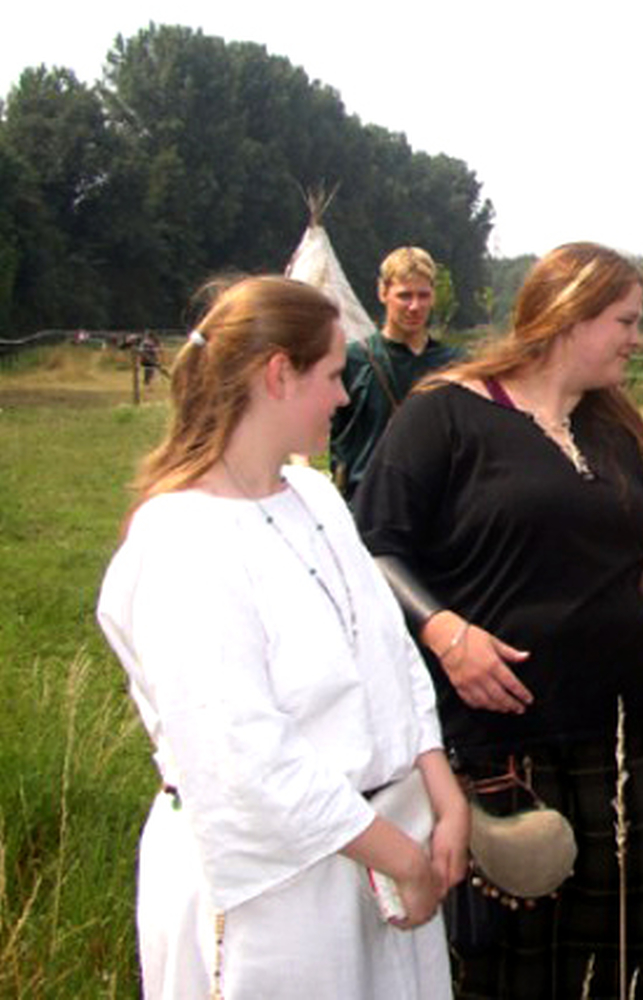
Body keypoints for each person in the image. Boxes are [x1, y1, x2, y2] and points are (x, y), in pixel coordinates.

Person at [353, 242, 643, 999]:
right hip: (509, 744)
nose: (638, 337)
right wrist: (446, 633)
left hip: (630, 738)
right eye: (626, 321)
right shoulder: (444, 413)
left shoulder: (612, 425)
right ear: (569, 316)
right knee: (523, 975)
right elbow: (374, 548)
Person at [96, 276, 468, 999]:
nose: (343, 397)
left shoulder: (318, 498)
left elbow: (390, 654)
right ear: (277, 375)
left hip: (377, 850)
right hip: (278, 888)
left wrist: (440, 788)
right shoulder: (182, 539)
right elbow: (240, 750)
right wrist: (400, 856)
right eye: (330, 375)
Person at [330, 246, 463, 498]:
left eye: (423, 295)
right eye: (404, 296)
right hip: (365, 503)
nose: (414, 306)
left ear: (433, 296)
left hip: (434, 505)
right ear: (383, 292)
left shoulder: (455, 365)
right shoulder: (352, 361)